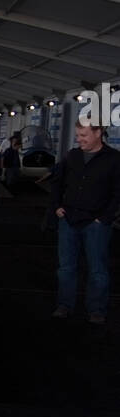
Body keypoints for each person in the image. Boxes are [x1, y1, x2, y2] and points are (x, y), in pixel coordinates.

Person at [50, 120, 120, 324]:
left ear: (99, 133)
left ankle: (96, 310)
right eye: (78, 135)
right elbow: (57, 182)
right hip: (68, 220)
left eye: (84, 136)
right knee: (65, 268)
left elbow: (118, 193)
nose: (79, 140)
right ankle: (64, 305)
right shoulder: (72, 156)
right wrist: (56, 206)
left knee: (98, 269)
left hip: (96, 224)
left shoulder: (114, 159)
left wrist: (104, 218)